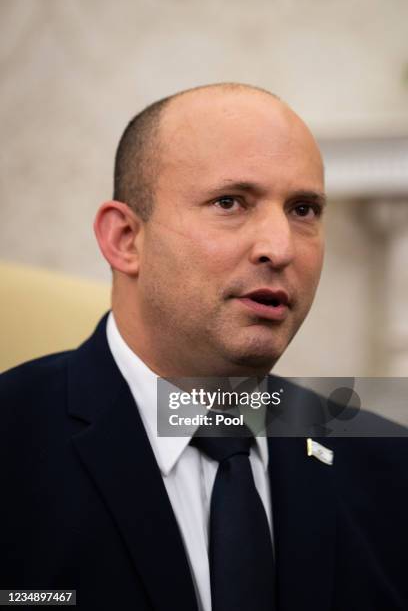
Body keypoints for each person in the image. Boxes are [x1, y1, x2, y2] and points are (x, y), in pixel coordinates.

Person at [1, 83, 407, 611]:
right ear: (125, 238)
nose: (279, 248)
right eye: (229, 202)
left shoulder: (391, 470)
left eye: (303, 210)